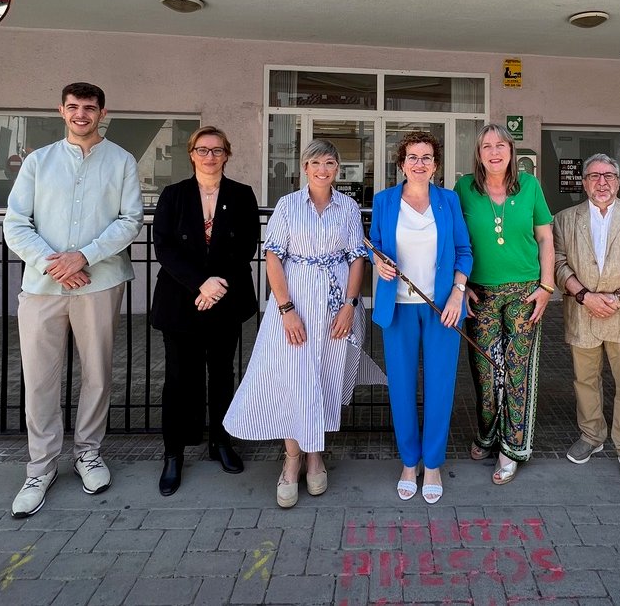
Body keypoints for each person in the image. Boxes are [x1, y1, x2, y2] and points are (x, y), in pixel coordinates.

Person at [3, 82, 143, 518]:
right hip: (43, 287)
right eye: (73, 107)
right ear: (61, 111)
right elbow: (15, 222)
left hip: (99, 283)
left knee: (97, 373)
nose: (81, 114)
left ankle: (88, 454)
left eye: (89, 108)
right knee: (40, 378)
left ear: (103, 112)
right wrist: (53, 264)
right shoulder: (38, 162)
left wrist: (83, 256)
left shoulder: (121, 161)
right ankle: (40, 467)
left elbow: (130, 219)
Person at [223, 139, 385, 508]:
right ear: (304, 168)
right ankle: (292, 458)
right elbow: (273, 256)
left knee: (325, 377)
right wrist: (286, 309)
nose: (322, 170)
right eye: (315, 163)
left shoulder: (347, 207)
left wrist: (350, 305)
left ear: (338, 169)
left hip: (335, 306)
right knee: (294, 377)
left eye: (330, 163)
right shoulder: (287, 205)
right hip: (295, 304)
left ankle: (316, 454)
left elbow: (357, 257)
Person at [151, 126, 260, 496]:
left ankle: (221, 442)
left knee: (223, 374)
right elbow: (164, 248)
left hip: (225, 300)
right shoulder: (174, 195)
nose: (209, 156)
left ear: (227, 154)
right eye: (202, 150)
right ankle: (173, 454)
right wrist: (201, 284)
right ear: (192, 154)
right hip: (182, 299)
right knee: (179, 380)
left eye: (217, 150)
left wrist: (217, 286)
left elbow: (246, 245)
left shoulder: (242, 195)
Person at [370, 131, 472, 504]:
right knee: (400, 387)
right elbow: (375, 247)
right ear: (401, 163)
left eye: (427, 157)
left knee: (440, 387)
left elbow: (464, 251)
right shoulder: (384, 201)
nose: (419, 163)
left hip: (441, 309)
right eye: (412, 157)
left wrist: (458, 293)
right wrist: (377, 261)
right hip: (397, 308)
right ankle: (409, 462)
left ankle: (432, 464)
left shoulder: (448, 200)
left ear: (436, 165)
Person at [454, 123, 555, 485]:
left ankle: (511, 448)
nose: (494, 152)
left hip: (524, 292)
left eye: (500, 145)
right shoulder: (463, 188)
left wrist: (547, 286)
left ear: (511, 151)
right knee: (484, 370)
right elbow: (456, 240)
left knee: (516, 371)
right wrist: (459, 284)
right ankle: (486, 433)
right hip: (479, 292)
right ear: (478, 154)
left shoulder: (530, 186)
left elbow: (545, 237)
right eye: (486, 146)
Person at [553, 153, 620, 486]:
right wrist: (585, 296)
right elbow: (557, 263)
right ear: (583, 182)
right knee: (585, 381)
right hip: (583, 313)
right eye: (594, 176)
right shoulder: (564, 219)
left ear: (619, 180)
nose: (602, 182)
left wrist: (618, 297)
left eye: (609, 176)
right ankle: (592, 435)